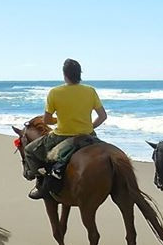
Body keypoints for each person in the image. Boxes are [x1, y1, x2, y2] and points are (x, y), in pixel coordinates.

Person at [23, 59, 107, 199]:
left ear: (64, 74)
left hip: (62, 136)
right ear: (79, 74)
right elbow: (103, 116)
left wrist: (60, 120)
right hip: (89, 135)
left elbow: (47, 120)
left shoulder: (55, 92)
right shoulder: (90, 91)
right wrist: (88, 127)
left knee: (29, 150)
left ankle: (40, 184)